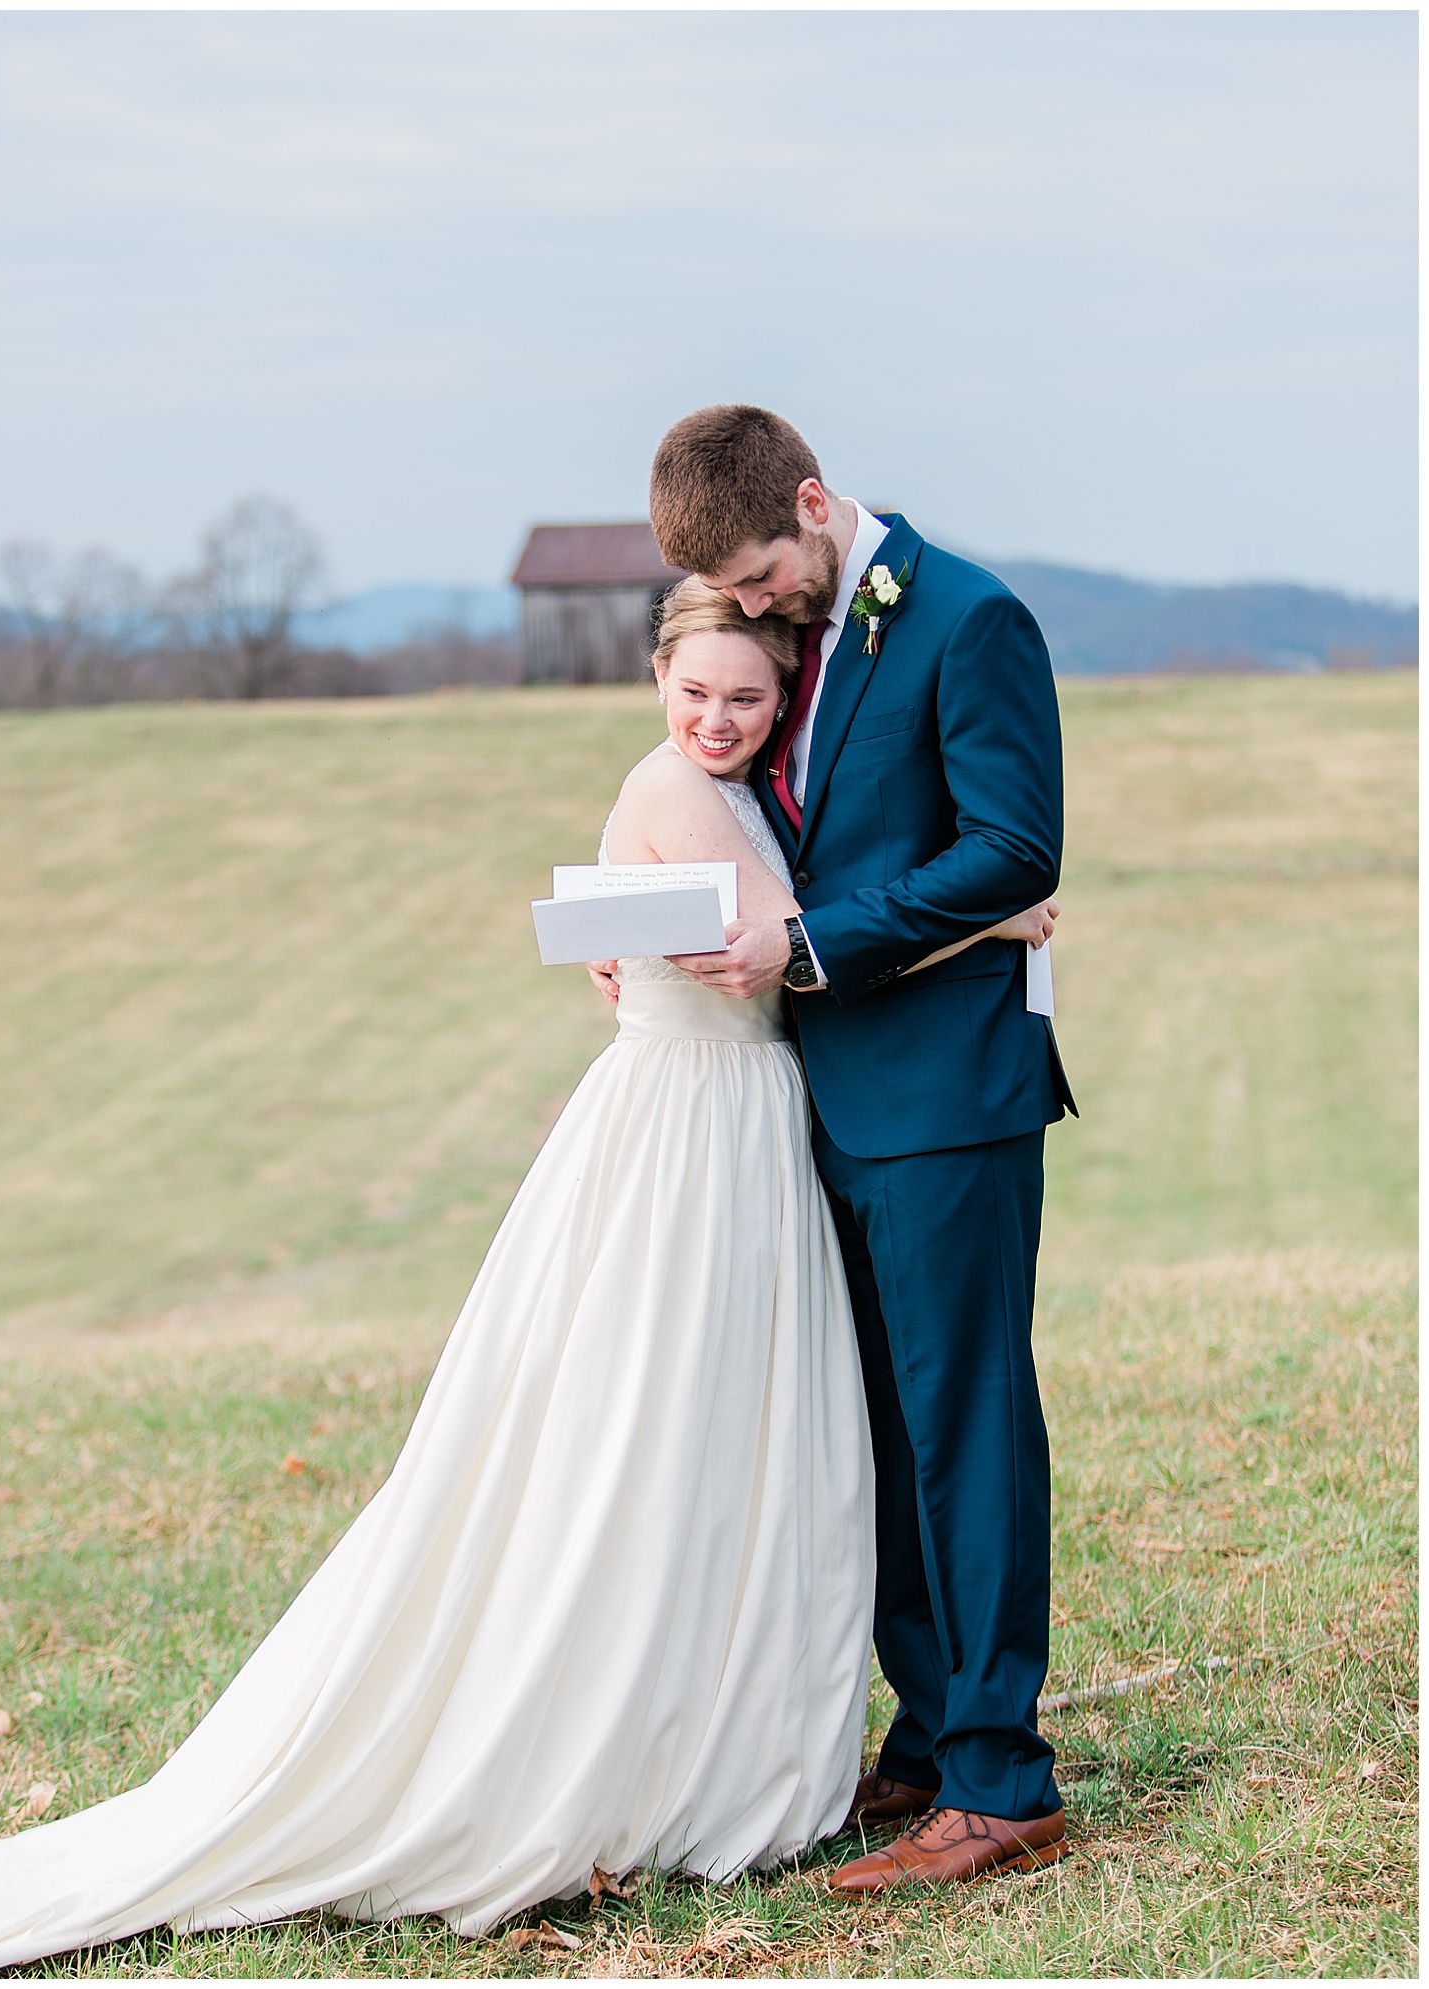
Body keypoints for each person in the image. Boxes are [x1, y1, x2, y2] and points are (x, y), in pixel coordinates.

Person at [0, 581, 1054, 1976]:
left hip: (734, 1125)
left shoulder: (727, 786)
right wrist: (992, 920)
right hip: (694, 1140)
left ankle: (750, 1705)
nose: (716, 717)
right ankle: (646, 1727)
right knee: (649, 1433)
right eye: (695, 691)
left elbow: (773, 935)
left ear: (780, 698)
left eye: (746, 698)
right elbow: (801, 940)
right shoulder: (683, 791)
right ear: (656, 678)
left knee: (726, 1439)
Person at [634, 405, 1079, 1893]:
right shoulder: (802, 633)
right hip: (810, 1100)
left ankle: (1006, 1778)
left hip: (950, 1096)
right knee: (871, 1425)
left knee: (964, 1424)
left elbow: (1017, 847)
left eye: (762, 574)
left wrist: (816, 947)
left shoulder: (969, 618)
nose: (753, 608)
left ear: (816, 505)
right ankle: (934, 1730)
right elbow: (753, 816)